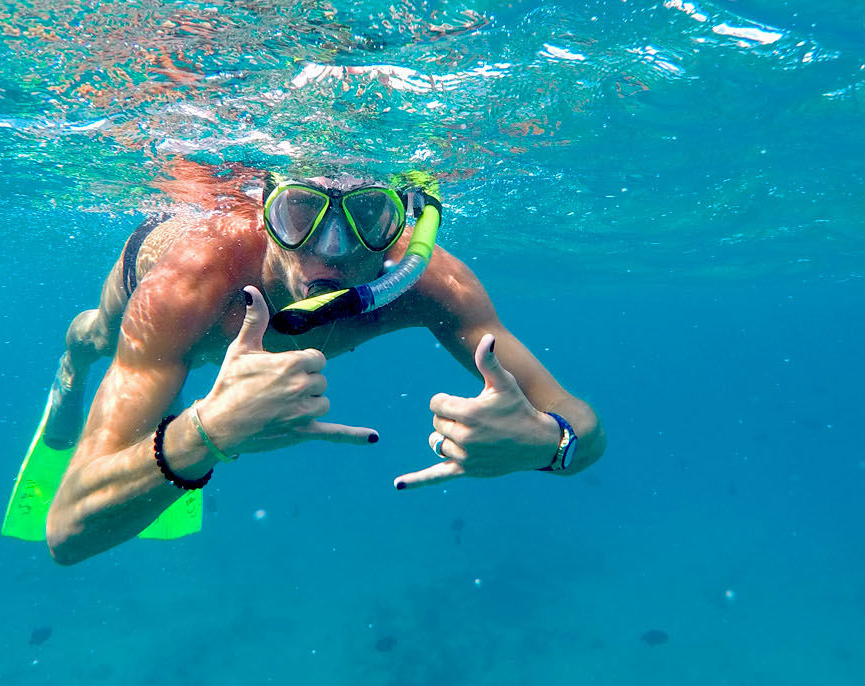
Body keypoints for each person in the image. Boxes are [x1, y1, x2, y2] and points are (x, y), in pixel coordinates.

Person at [43, 162, 606, 564]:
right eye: (300, 213)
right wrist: (205, 432)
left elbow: (578, 420)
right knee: (96, 333)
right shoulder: (191, 284)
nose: (332, 249)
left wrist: (548, 444)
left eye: (367, 216)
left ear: (399, 225)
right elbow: (66, 531)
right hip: (149, 265)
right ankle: (70, 370)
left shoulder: (427, 284)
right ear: (267, 214)